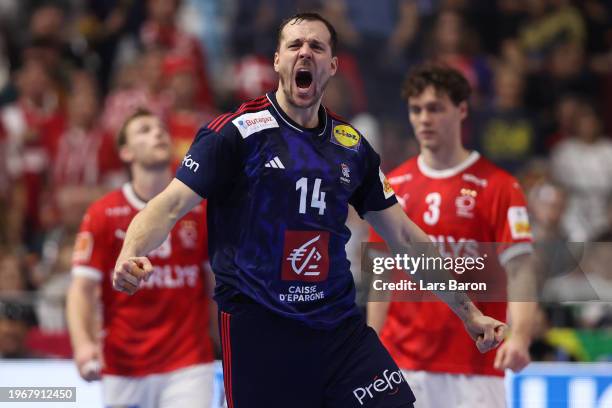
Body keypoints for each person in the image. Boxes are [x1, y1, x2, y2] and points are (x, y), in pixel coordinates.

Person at [112, 13, 506, 408]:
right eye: (295, 46)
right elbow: (168, 205)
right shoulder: (236, 133)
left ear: (332, 66)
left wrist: (468, 312)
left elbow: (403, 236)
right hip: (260, 330)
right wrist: (131, 252)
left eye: (317, 47)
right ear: (277, 61)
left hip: (337, 328)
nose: (306, 53)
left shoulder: (351, 147)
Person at [368, 64, 537, 407]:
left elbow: (520, 271)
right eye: (416, 110)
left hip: (474, 368)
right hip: (402, 365)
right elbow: (381, 275)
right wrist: (372, 347)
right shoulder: (393, 186)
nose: (423, 119)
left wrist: (520, 336)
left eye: (435, 108)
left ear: (461, 110)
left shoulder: (499, 186)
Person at [66, 109, 216, 408]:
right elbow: (81, 290)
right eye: (144, 130)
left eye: (161, 128)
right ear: (126, 151)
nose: (158, 133)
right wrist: (83, 347)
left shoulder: (199, 209)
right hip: (124, 365)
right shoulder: (102, 214)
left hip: (189, 362)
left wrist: (223, 342)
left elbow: (214, 284)